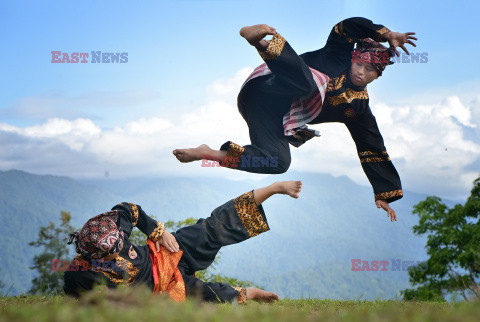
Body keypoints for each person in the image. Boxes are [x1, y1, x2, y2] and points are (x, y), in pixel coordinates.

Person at [173, 17, 418, 221]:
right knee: (308, 84)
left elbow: (371, 144)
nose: (361, 73)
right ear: (353, 58)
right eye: (359, 65)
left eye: (370, 71)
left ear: (377, 77)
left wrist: (383, 192)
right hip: (266, 84)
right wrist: (385, 33)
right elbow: (346, 27)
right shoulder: (337, 55)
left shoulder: (358, 108)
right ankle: (260, 42)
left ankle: (209, 154)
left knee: (278, 162)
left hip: (266, 113)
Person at [63, 180, 303, 304]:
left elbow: (129, 209)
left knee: (214, 227)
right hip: (163, 288)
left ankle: (272, 188)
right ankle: (249, 294)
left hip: (165, 251)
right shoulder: (80, 274)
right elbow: (95, 300)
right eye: (109, 256)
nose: (117, 254)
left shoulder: (110, 227)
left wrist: (159, 233)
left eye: (118, 247)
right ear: (92, 257)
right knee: (205, 294)